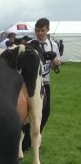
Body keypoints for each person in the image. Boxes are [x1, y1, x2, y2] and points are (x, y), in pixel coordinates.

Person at [23, 17, 62, 150]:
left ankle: (34, 137)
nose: (40, 33)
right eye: (37, 30)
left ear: (48, 30)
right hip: (31, 84)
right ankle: (25, 142)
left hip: (45, 82)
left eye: (42, 30)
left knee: (45, 113)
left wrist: (56, 64)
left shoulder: (53, 45)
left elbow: (56, 69)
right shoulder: (29, 44)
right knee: (29, 113)